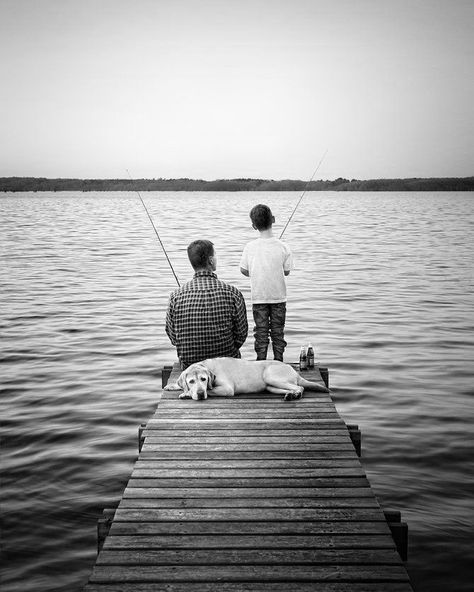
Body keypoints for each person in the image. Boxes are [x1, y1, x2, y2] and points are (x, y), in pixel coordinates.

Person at [166, 239, 248, 368]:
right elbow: (241, 335)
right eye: (215, 256)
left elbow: (173, 337)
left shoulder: (176, 296)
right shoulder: (233, 293)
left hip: (190, 365)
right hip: (226, 365)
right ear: (210, 260)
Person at [239, 204, 292, 361]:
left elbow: (243, 270)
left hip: (259, 298)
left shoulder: (250, 247)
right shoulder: (283, 246)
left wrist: (254, 271)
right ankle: (278, 362)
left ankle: (260, 363)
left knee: (261, 332)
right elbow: (287, 271)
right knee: (278, 332)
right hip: (279, 298)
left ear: (254, 226)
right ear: (273, 220)